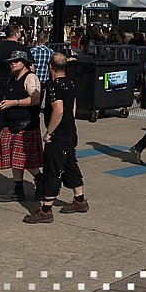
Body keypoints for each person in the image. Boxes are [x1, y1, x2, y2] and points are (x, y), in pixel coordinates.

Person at [24, 52, 88, 223]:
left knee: (52, 170)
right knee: (70, 164)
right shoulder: (70, 83)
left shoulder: (53, 86)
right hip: (70, 132)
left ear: (50, 67)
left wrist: (49, 132)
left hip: (58, 136)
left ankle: (46, 210)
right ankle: (80, 199)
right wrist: (69, 123)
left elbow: (58, 110)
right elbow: (72, 107)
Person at [0, 50, 43, 203]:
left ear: (24, 62)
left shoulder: (30, 78)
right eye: (11, 61)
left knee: (26, 161)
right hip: (12, 124)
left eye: (16, 61)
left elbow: (35, 99)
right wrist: (3, 105)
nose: (12, 63)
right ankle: (18, 190)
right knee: (16, 160)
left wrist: (13, 103)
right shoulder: (13, 78)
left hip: (26, 125)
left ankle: (41, 180)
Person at [0, 24, 29, 164]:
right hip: (17, 88)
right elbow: (30, 68)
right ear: (16, 34)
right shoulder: (22, 49)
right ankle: (16, 152)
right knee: (17, 121)